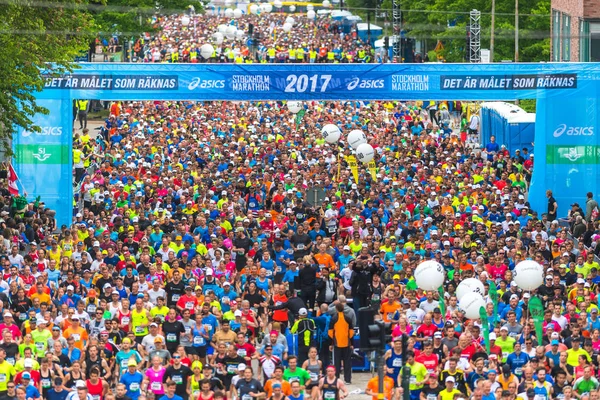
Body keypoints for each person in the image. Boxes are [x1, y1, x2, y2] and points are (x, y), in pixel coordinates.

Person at [328, 303, 354, 384]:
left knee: (337, 362)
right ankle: (348, 379)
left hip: (337, 344)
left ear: (336, 309)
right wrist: (352, 343)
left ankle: (336, 378)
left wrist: (331, 344)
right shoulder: (348, 318)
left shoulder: (333, 319)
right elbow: (351, 333)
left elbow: (330, 333)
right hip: (346, 344)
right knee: (347, 362)